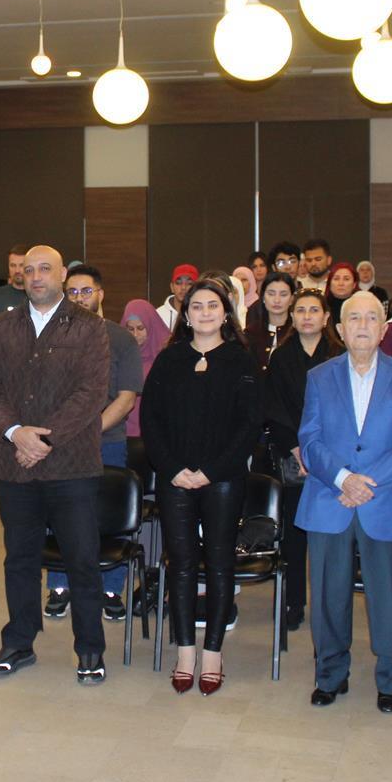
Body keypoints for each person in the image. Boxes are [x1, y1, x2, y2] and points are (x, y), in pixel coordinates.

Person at [0, 245, 111, 685]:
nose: (35, 277)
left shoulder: (89, 327)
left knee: (81, 560)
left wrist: (43, 439)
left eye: (45, 269)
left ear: (62, 274)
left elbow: (91, 393)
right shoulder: (3, 326)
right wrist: (16, 432)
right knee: (19, 559)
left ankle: (89, 647)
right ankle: (19, 641)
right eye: (29, 270)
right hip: (15, 464)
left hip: (71, 466)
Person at [298, 292, 392, 713]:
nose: (363, 326)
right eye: (354, 318)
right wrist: (343, 478)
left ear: (384, 329)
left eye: (372, 318)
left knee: (389, 597)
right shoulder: (319, 377)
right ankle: (330, 675)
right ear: (339, 328)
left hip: (385, 498)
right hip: (330, 497)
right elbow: (309, 439)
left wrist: (367, 482)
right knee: (328, 597)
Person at [141, 275, 259, 695]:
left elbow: (249, 425)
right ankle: (186, 651)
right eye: (196, 306)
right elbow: (151, 420)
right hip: (174, 477)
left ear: (226, 313)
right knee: (182, 563)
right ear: (186, 316)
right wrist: (172, 468)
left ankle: (213, 652)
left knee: (220, 563)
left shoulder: (241, 360)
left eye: (213, 305)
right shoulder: (169, 359)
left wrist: (211, 471)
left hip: (222, 478)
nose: (205, 312)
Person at [43, 265, 143, 622]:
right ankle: (60, 585)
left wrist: (90, 429)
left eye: (86, 291)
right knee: (60, 514)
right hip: (62, 443)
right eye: (72, 292)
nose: (79, 298)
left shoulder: (121, 339)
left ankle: (111, 588)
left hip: (107, 441)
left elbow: (126, 398)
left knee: (108, 516)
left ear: (100, 293)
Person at [264, 288, 343, 634]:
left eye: (314, 310)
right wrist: (298, 448)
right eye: (301, 311)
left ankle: (331, 605)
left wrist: (323, 453)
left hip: (334, 457)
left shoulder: (340, 354)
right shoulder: (281, 357)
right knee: (295, 535)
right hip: (295, 457)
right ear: (292, 318)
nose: (307, 316)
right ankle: (294, 602)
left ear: (326, 318)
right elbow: (273, 408)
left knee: (331, 535)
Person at [121, 299, 170, 440]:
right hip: (122, 434)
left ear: (151, 326)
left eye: (140, 328)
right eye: (130, 329)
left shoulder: (167, 357)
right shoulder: (119, 354)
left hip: (156, 435)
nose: (135, 334)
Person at [261, 271, 296, 357]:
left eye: (283, 295)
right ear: (263, 297)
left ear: (292, 299)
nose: (277, 300)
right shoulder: (251, 332)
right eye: (271, 294)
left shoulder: (298, 331)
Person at [158, 263, 200, 330]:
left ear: (197, 288)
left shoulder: (203, 314)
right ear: (172, 287)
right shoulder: (158, 315)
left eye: (189, 283)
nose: (183, 287)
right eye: (178, 283)